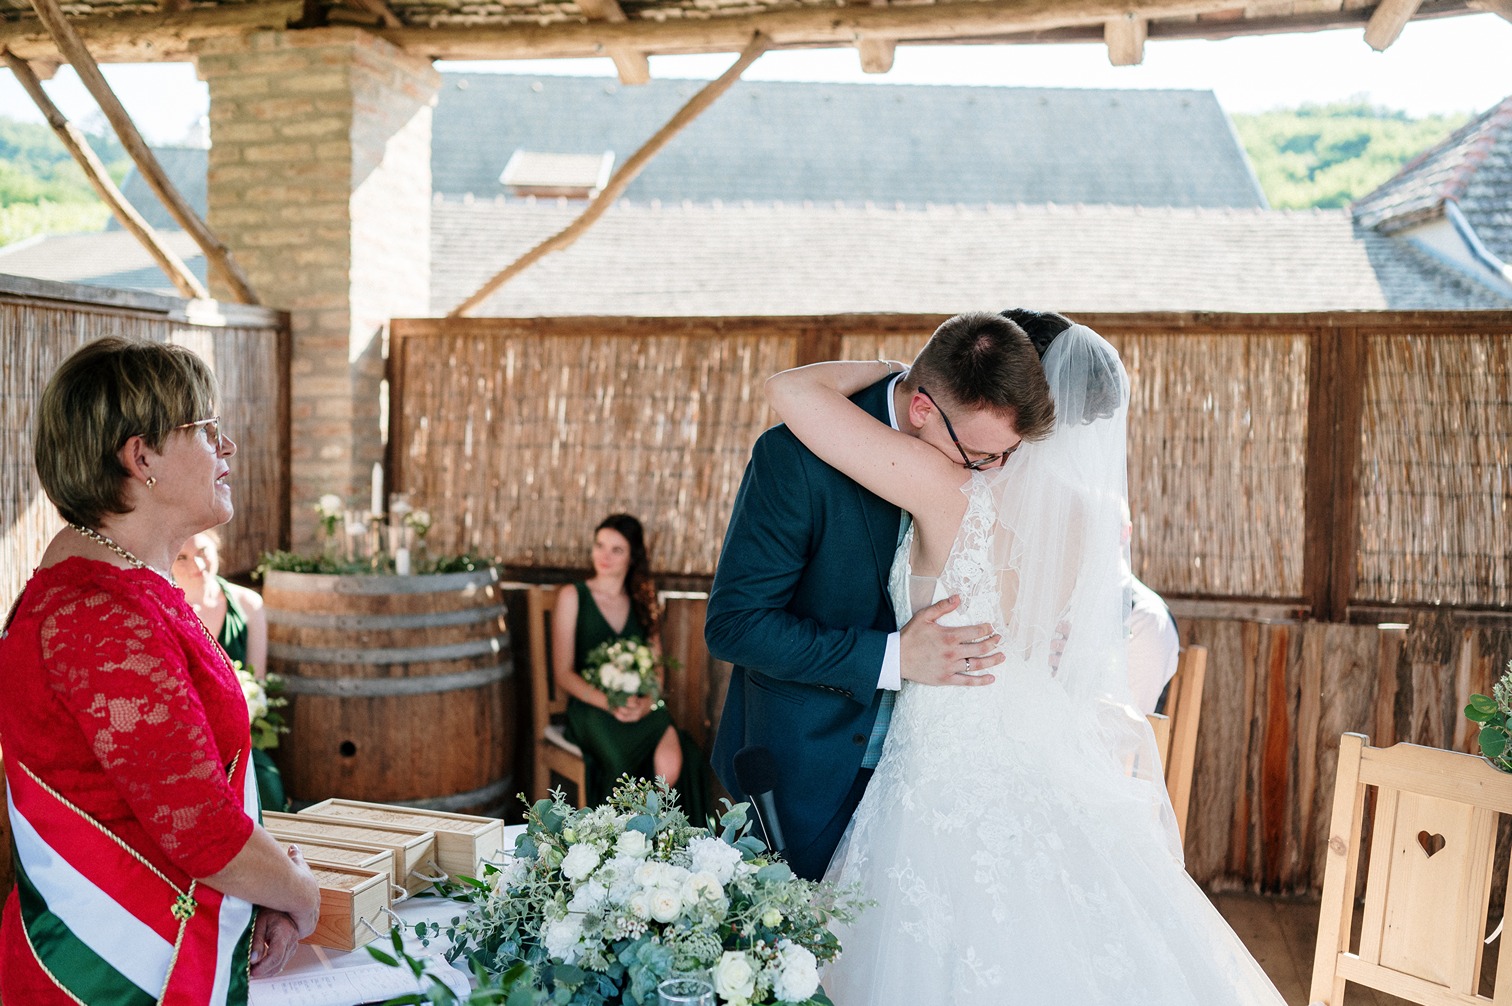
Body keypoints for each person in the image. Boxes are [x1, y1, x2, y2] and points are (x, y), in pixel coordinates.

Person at [766, 318, 1288, 1003]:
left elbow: (791, 391)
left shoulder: (949, 486)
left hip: (947, 764)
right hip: (1041, 743)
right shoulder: (1090, 516)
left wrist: (905, 371)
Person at [0, 337, 320, 1004]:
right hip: (114, 976)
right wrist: (301, 893)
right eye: (206, 429)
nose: (228, 446)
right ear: (140, 456)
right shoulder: (97, 615)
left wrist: (263, 893)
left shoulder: (125, 586)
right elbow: (202, 832)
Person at [706, 312, 1052, 881]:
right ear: (922, 409)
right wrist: (892, 657)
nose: (992, 473)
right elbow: (736, 625)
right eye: (979, 457)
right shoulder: (795, 457)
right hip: (808, 773)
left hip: (939, 773)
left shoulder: (984, 469)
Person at [552, 514, 709, 821]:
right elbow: (563, 674)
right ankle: (613, 834)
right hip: (591, 707)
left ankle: (664, 835)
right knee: (619, 756)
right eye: (600, 545)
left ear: (632, 556)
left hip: (640, 704)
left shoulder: (643, 600)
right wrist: (609, 703)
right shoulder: (573, 596)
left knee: (677, 760)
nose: (604, 556)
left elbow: (657, 671)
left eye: (616, 549)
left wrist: (647, 703)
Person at [173, 528, 288, 812]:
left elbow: (256, 680)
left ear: (216, 548)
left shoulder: (248, 603)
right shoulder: (166, 609)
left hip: (237, 740)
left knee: (267, 785)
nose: (197, 564)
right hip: (183, 742)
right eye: (182, 557)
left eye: (202, 551)